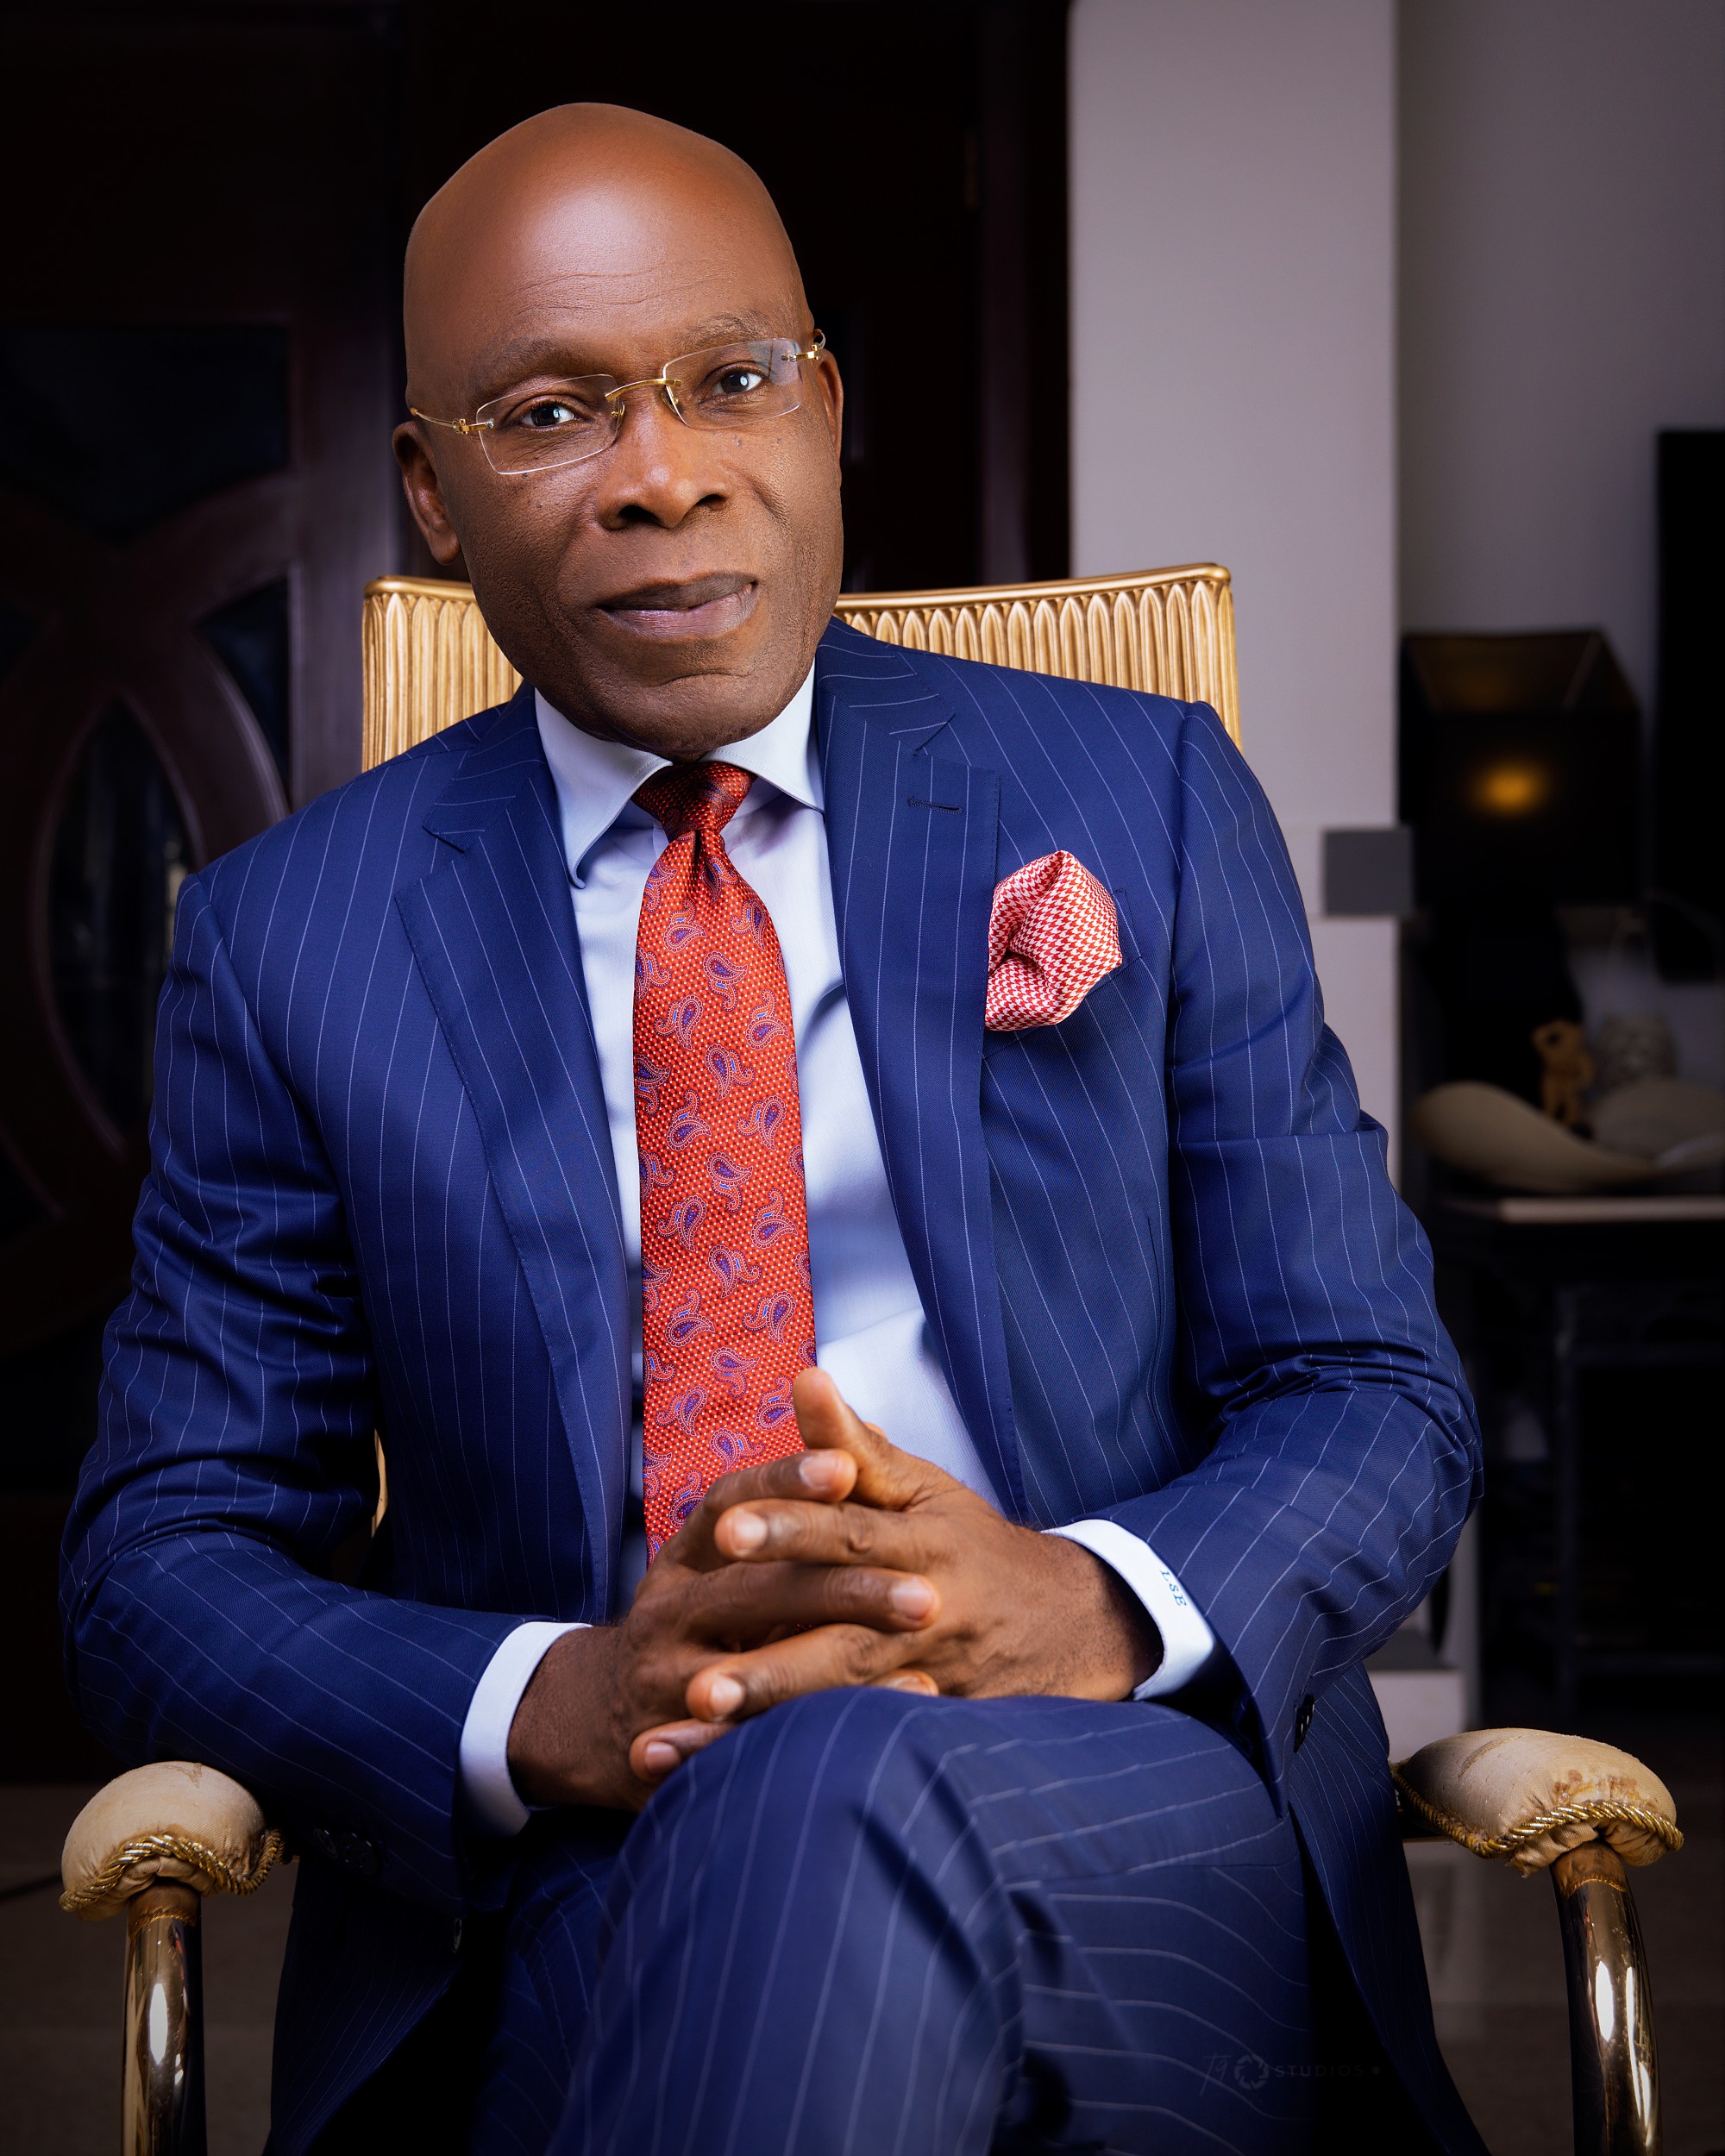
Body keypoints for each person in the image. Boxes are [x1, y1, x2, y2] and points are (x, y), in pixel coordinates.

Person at [63, 103, 1485, 2156]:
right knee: (795, 1824)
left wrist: (1083, 1601)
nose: (662, 473)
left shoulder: (1143, 799)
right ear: (433, 493)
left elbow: (1371, 1387)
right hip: (573, 1878)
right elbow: (159, 1564)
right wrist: (559, 1699)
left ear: (824, 411)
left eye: (729, 379)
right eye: (550, 412)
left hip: (1125, 1801)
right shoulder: (295, 938)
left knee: (835, 1792)